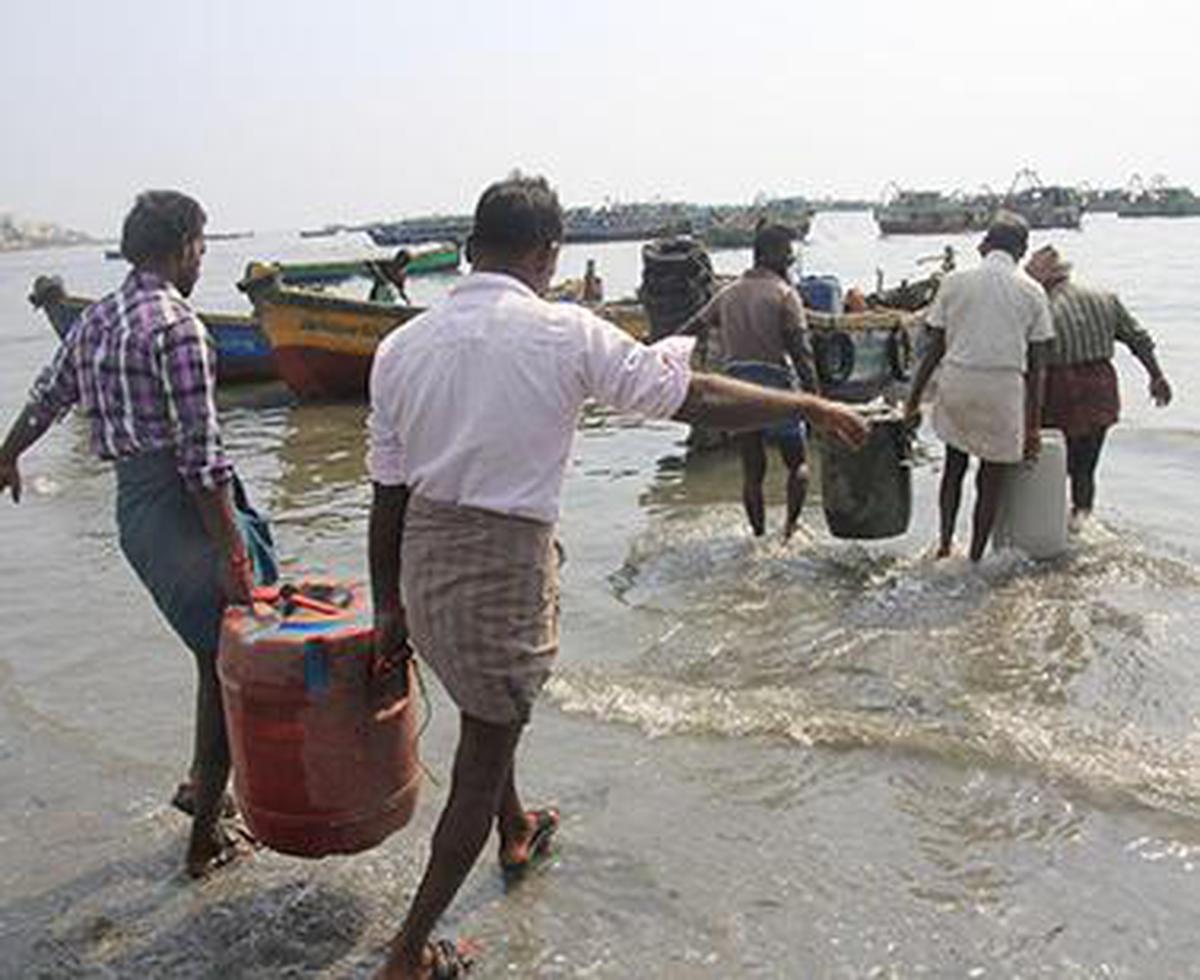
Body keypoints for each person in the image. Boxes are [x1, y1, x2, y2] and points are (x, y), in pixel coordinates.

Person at [366, 175, 868, 980]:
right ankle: (407, 952)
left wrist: (388, 605)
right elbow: (693, 397)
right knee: (482, 751)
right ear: (546, 252)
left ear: (469, 249)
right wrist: (804, 405)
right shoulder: (564, 332)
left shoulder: (400, 347)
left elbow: (386, 490)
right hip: (501, 566)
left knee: (484, 713)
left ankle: (517, 826)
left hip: (422, 564)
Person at [0, 190, 276, 878]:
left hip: (136, 512)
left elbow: (46, 398)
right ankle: (205, 835)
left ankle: (199, 785)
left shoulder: (96, 320)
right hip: (184, 508)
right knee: (228, 661)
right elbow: (202, 457)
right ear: (183, 245)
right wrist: (233, 550)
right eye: (203, 247)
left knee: (208, 650)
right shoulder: (178, 326)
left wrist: (6, 456)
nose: (203, 260)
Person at [903, 212, 1055, 561]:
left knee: (954, 467)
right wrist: (1032, 426)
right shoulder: (1032, 290)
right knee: (991, 479)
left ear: (986, 245)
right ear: (1022, 250)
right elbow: (1038, 368)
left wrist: (912, 399)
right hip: (1003, 390)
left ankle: (943, 543)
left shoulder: (954, 281)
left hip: (958, 382)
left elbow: (933, 349)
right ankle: (974, 556)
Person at [680, 222, 818, 539]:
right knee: (797, 463)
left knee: (752, 468)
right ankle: (789, 530)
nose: (790, 261)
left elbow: (692, 327)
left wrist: (658, 355)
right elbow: (802, 353)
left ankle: (757, 535)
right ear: (774, 257)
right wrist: (817, 402)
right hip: (775, 385)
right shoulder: (786, 295)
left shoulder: (728, 294)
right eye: (787, 255)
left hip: (737, 387)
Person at [1024, 244, 1173, 522]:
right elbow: (1137, 338)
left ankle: (1053, 525)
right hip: (1100, 386)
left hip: (1059, 388)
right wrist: (1156, 375)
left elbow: (1034, 359)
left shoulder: (1041, 307)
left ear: (1041, 279)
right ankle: (1082, 519)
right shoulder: (1105, 298)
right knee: (1086, 466)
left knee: (1054, 464)